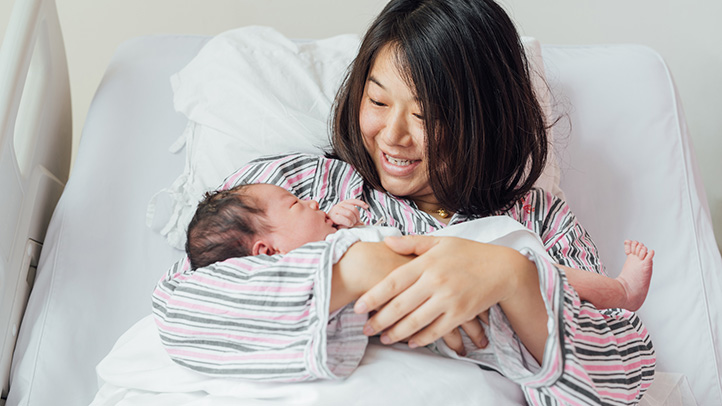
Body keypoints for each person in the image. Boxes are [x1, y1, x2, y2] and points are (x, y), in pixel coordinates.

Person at [152, 0, 656, 404]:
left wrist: (512, 278)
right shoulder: (293, 185)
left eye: (427, 115)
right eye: (377, 101)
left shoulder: (540, 219)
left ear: (486, 120)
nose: (392, 135)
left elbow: (626, 375)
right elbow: (183, 309)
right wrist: (356, 269)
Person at [186, 182, 654, 314]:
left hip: (464, 256)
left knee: (542, 272)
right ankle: (620, 289)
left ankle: (618, 292)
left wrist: (340, 223)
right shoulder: (291, 281)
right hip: (447, 281)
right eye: (295, 204)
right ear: (268, 253)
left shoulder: (324, 237)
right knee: (544, 275)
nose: (311, 200)